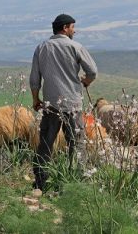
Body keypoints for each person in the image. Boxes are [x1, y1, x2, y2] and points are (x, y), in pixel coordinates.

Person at [29, 13, 98, 191]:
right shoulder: (75, 46)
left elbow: (35, 78)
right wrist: (86, 82)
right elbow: (92, 71)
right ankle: (75, 181)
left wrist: (36, 99)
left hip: (51, 104)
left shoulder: (42, 47)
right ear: (65, 28)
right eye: (73, 27)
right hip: (73, 104)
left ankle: (41, 182)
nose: (74, 31)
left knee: (46, 142)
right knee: (76, 143)